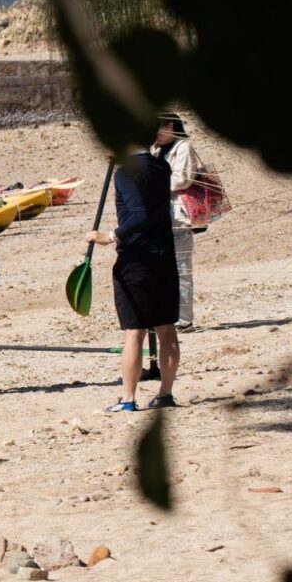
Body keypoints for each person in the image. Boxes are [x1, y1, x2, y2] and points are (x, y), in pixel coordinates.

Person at [89, 143, 182, 413]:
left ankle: (128, 399)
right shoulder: (161, 167)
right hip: (164, 257)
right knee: (166, 327)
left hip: (136, 260)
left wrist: (109, 236)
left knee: (134, 331)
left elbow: (139, 215)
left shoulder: (125, 172)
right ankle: (165, 394)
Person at [161, 113, 203, 331]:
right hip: (160, 217)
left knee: (182, 269)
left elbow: (182, 179)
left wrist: (153, 182)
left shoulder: (183, 147)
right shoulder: (156, 149)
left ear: (169, 125)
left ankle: (183, 319)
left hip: (179, 216)